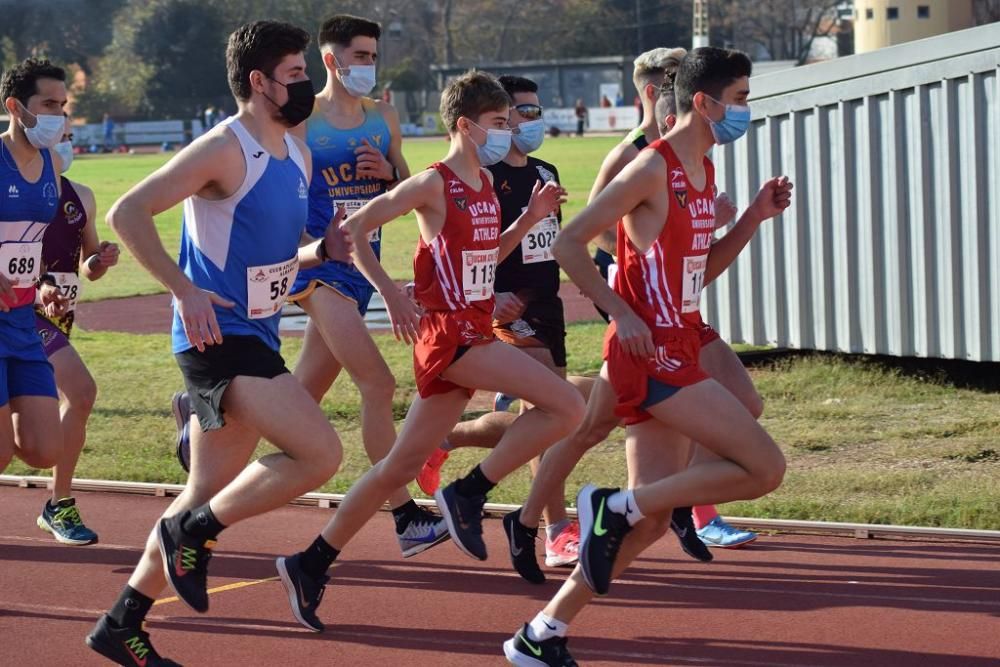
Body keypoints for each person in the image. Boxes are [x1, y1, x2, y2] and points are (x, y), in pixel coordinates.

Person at [503, 47, 792, 665]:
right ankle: (607, 505)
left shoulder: (705, 171)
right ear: (702, 102)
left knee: (650, 522)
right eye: (739, 98)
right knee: (764, 468)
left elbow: (698, 273)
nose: (745, 110)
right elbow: (573, 243)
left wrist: (752, 220)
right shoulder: (651, 167)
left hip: (680, 338)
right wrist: (623, 311)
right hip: (651, 350)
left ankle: (540, 634)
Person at [274, 70, 584, 633]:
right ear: (464, 125)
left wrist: (529, 219)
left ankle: (309, 561)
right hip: (450, 336)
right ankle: (470, 491)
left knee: (399, 465)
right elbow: (356, 230)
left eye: (508, 123)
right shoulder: (432, 183)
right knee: (568, 406)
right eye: (497, 123)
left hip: (473, 330)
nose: (506, 133)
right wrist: (392, 295)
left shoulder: (486, 186)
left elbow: (486, 255)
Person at [85, 21, 354, 666]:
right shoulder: (223, 148)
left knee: (202, 491)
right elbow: (128, 212)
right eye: (294, 74)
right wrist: (184, 289)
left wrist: (318, 253)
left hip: (256, 330)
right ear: (259, 82)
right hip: (217, 338)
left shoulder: (296, 154)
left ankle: (122, 623)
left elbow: (269, 258)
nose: (306, 85)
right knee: (320, 453)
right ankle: (192, 535)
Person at [171, 13, 447, 558]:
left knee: (304, 394)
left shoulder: (384, 116)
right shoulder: (300, 119)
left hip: (360, 261)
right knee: (378, 384)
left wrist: (387, 172)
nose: (367, 66)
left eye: (373, 56)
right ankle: (404, 513)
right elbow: (277, 186)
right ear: (330, 60)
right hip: (314, 268)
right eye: (359, 56)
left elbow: (409, 185)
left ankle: (203, 419)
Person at [415, 74, 579, 579]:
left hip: (545, 306)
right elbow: (474, 249)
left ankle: (450, 440)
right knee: (557, 407)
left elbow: (546, 242)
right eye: (517, 115)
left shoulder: (544, 170)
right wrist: (491, 295)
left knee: (550, 414)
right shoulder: (479, 177)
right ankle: (553, 529)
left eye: (533, 113)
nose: (528, 123)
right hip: (501, 312)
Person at [35, 114, 121, 546]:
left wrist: (100, 260)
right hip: (21, 314)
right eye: (60, 138)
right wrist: (37, 289)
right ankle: (59, 504)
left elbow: (87, 264)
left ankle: (57, 504)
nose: (66, 146)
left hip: (58, 318)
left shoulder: (80, 197)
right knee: (82, 392)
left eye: (71, 138)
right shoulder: (12, 194)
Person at [0, 57, 70, 478]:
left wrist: (42, 283)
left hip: (23, 322)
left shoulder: (53, 166)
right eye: (47, 105)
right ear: (16, 107)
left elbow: (29, 243)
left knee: (44, 450)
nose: (57, 116)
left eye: (62, 106)